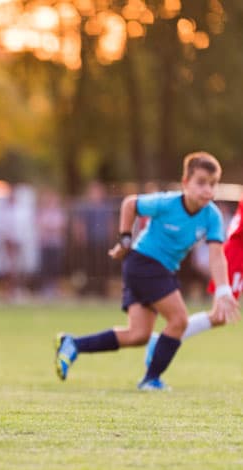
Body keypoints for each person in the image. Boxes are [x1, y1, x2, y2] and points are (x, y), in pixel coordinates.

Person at [54, 152, 239, 391]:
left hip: (160, 270)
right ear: (185, 182)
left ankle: (73, 344)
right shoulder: (168, 202)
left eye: (212, 184)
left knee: (138, 334)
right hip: (144, 263)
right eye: (201, 182)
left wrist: (223, 290)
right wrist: (125, 240)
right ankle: (151, 380)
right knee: (179, 320)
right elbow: (130, 204)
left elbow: (217, 255)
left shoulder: (212, 215)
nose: (207, 190)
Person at [142, 186, 243, 366]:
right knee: (220, 315)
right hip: (238, 255)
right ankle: (161, 341)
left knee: (220, 317)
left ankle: (161, 340)